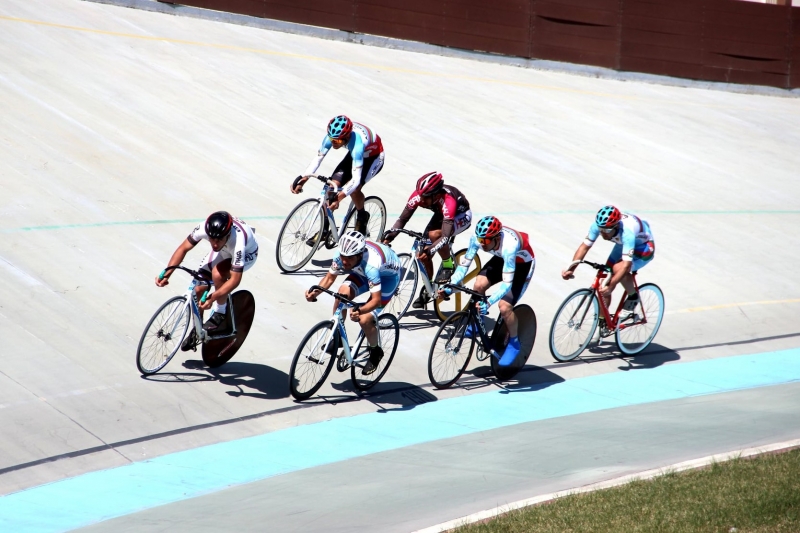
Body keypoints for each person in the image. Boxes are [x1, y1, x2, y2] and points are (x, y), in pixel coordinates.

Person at [438, 216, 535, 367]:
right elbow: (463, 267)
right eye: (480, 240)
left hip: (522, 265)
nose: (482, 244)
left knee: (504, 307)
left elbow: (507, 285)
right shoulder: (479, 239)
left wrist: (488, 303)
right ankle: (478, 324)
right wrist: (451, 286)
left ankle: (514, 343)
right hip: (501, 258)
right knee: (479, 285)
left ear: (496, 238)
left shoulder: (509, 246)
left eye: (486, 241)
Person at [155, 211, 259, 351]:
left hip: (247, 254)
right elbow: (183, 248)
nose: (214, 244)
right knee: (199, 289)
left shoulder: (238, 241)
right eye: (211, 239)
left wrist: (213, 298)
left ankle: (220, 313)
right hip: (225, 250)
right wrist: (167, 274)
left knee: (218, 273)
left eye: (218, 240)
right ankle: (197, 330)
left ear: (227, 235)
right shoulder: (204, 228)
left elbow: (235, 280)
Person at [305, 231, 401, 375]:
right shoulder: (341, 254)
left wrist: (360, 311)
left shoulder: (371, 266)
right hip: (361, 272)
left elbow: (375, 300)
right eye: (343, 256)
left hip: (387, 278)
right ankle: (337, 336)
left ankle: (375, 351)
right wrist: (315, 292)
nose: (344, 261)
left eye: (349, 258)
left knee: (365, 319)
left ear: (360, 254)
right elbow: (330, 278)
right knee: (341, 296)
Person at [382, 172, 472, 308]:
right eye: (420, 196)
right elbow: (402, 219)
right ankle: (428, 287)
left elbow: (445, 237)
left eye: (425, 198)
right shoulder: (419, 196)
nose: (421, 200)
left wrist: (430, 250)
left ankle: (448, 264)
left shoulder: (449, 201)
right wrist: (389, 237)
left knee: (435, 236)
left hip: (461, 215)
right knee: (423, 252)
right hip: (440, 213)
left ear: (435, 195)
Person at [561, 205, 655, 331]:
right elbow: (584, 247)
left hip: (644, 248)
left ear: (615, 226)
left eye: (606, 230)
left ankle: (633, 297)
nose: (602, 233)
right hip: (621, 244)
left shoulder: (627, 233)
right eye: (601, 229)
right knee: (604, 279)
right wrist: (571, 269)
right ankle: (602, 321)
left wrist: (611, 286)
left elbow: (626, 265)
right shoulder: (597, 226)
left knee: (617, 269)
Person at [291, 115, 385, 236]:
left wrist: (339, 197)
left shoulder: (357, 146)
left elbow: (355, 180)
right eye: (332, 140)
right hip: (355, 154)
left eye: (338, 141)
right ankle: (324, 231)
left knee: (355, 189)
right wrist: (303, 178)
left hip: (374, 158)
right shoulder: (332, 137)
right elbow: (318, 159)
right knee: (331, 186)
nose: (334, 143)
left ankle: (362, 216)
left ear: (347, 137)